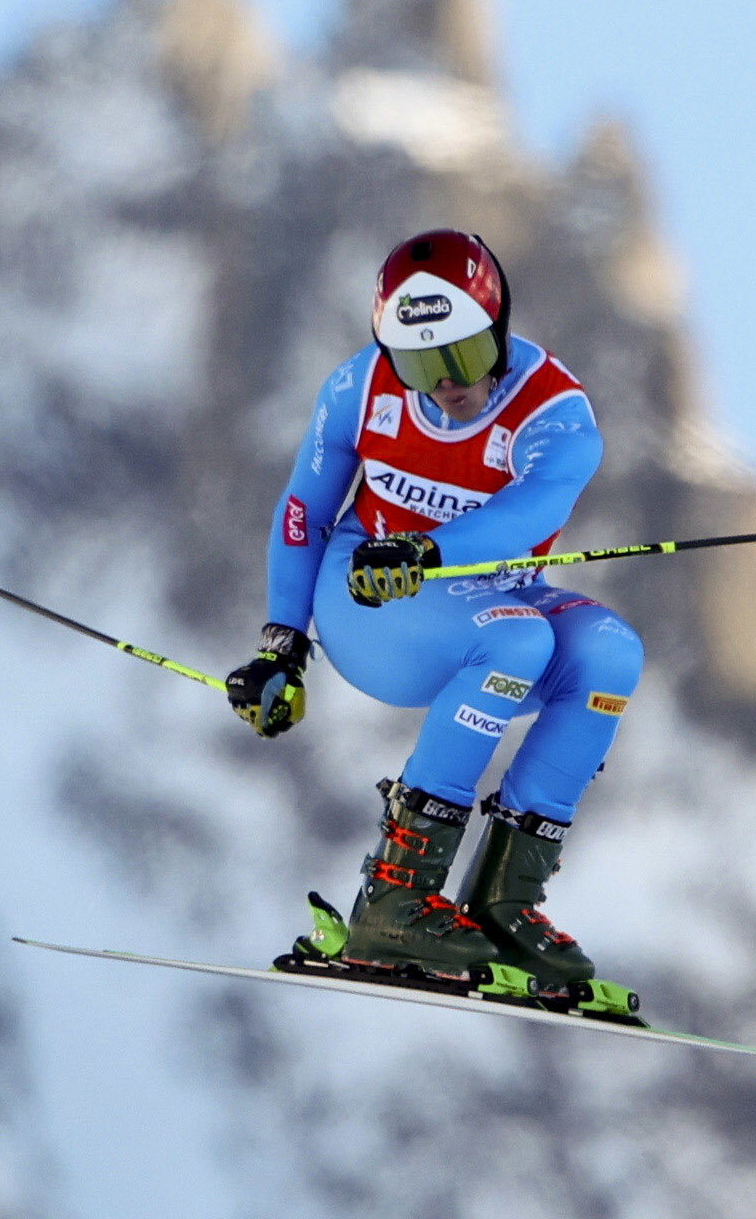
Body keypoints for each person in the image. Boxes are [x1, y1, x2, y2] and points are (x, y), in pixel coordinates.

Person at [225, 229, 649, 1013]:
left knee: (608, 654)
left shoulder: (553, 410)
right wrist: (281, 644)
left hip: (466, 590)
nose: (449, 384)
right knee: (516, 637)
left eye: (465, 355)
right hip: (368, 605)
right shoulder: (358, 388)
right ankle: (394, 898)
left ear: (500, 328)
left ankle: (503, 903)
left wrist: (430, 549)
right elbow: (302, 512)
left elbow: (537, 506)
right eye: (421, 366)